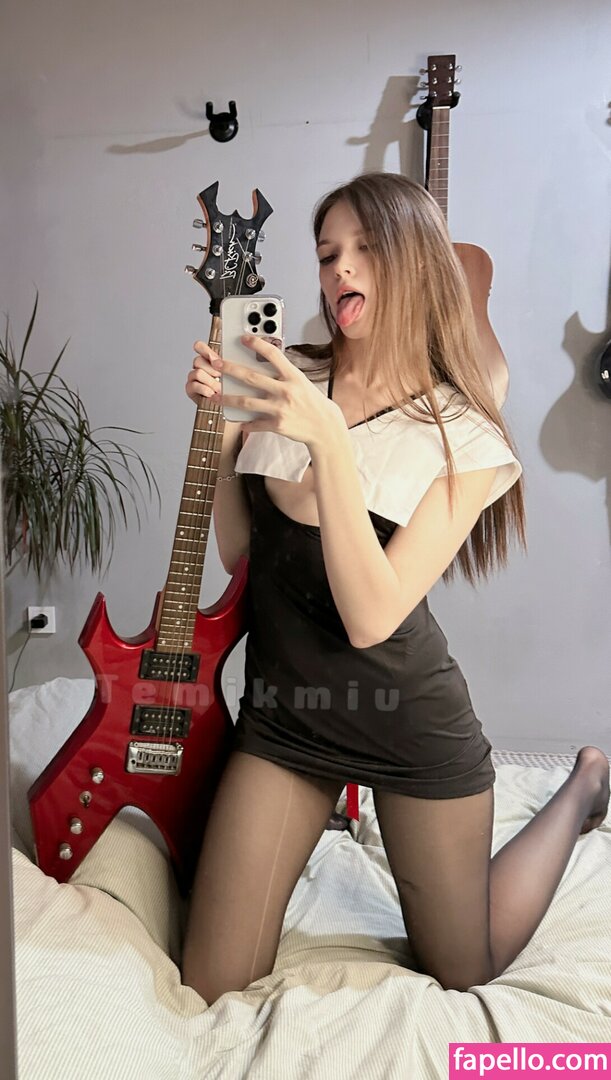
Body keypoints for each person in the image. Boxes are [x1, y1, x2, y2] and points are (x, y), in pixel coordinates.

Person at [181, 172, 610, 1004]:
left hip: (408, 724)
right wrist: (220, 428)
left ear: (415, 261)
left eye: (364, 249)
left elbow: (372, 617)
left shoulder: (462, 434)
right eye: (326, 253)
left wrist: (328, 443)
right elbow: (242, 556)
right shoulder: (289, 379)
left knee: (462, 967)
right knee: (211, 982)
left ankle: (582, 784)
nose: (339, 268)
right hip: (284, 721)